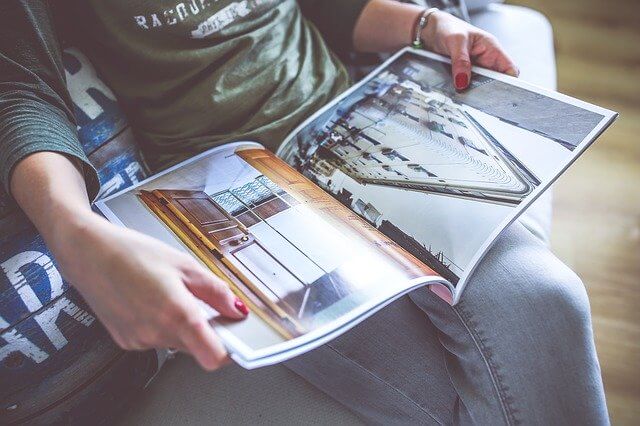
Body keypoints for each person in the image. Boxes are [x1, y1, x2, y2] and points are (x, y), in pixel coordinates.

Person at [0, 0, 608, 424]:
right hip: (225, 184)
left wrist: (423, 24)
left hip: (350, 118)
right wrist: (74, 231)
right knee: (432, 393)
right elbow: (21, 88)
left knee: (549, 298)